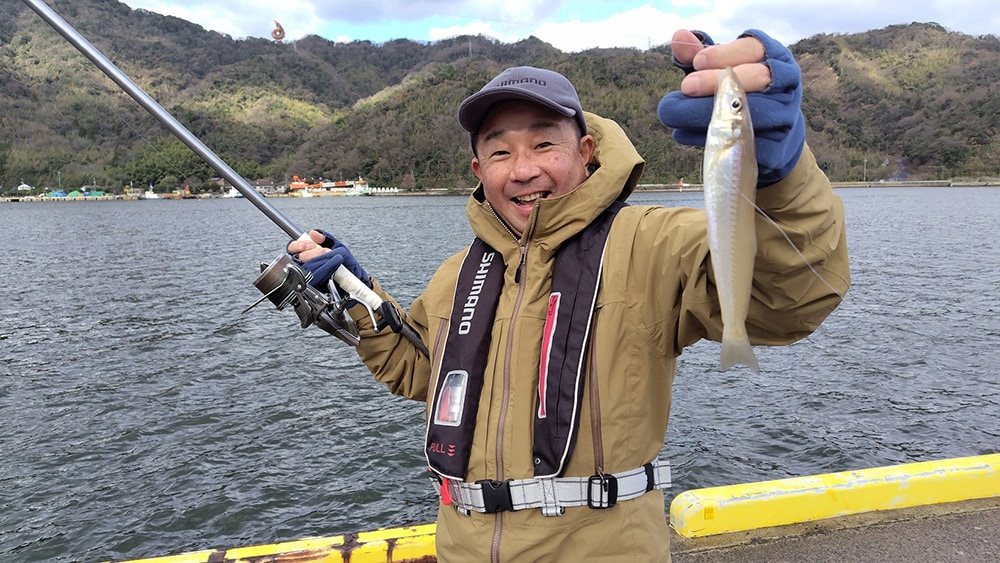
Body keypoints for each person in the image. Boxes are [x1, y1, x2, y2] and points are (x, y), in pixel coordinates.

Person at [287, 28, 850, 562]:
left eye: (543, 143)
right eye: (501, 152)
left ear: (585, 151)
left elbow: (791, 295)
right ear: (478, 169)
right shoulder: (458, 273)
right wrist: (360, 295)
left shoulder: (653, 242)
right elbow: (422, 373)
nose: (523, 169)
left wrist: (780, 175)